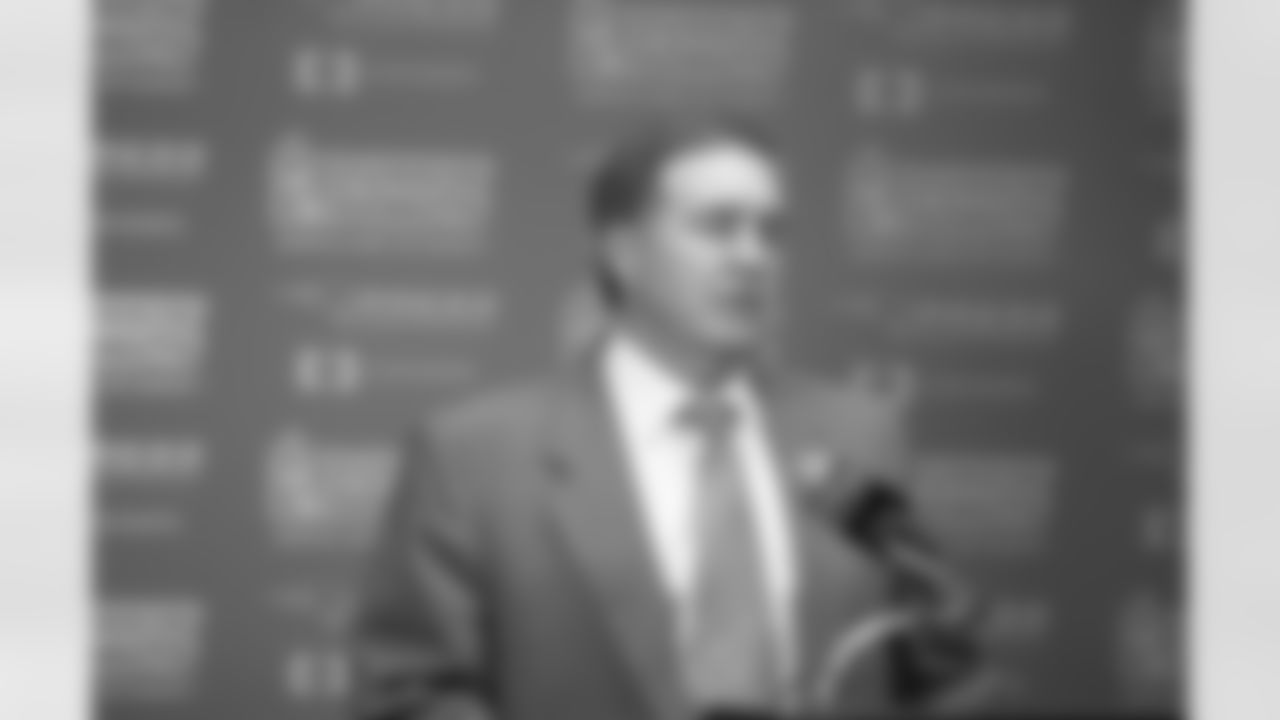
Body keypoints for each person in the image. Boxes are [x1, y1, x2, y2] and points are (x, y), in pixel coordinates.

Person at [348, 116, 975, 720]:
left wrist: (948, 642)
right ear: (623, 252)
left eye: (771, 231)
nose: (753, 256)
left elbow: (924, 673)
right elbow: (410, 696)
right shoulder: (475, 456)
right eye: (717, 226)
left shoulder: (861, 435)